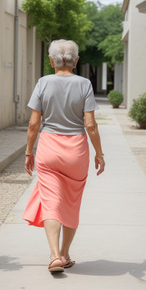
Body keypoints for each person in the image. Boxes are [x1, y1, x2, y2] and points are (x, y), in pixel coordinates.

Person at [23, 39, 105, 273]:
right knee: (70, 202)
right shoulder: (84, 84)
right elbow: (90, 125)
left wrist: (29, 151)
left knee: (51, 201)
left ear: (51, 61)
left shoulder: (43, 82)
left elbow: (33, 124)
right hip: (76, 151)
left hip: (49, 147)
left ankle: (54, 255)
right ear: (76, 61)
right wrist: (99, 154)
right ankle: (66, 254)